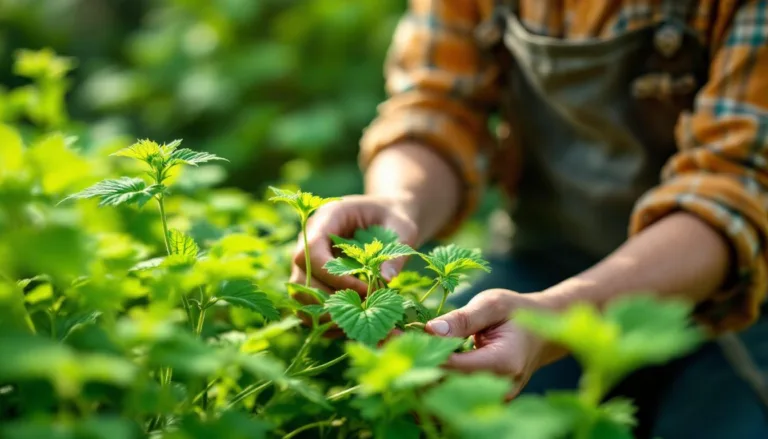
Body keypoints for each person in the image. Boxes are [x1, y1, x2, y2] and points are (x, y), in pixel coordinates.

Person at [289, 1, 768, 437]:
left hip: (738, 303)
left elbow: (732, 188)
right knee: (440, 411)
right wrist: (399, 202)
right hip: (543, 263)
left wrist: (553, 318)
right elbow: (440, 104)